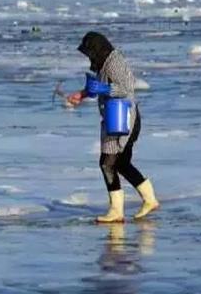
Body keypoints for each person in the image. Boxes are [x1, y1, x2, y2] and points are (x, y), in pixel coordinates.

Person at [66, 32, 159, 223]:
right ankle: (149, 200)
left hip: (123, 119)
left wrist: (105, 89)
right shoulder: (103, 62)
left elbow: (127, 89)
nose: (89, 57)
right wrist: (83, 94)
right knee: (121, 163)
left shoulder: (115, 62)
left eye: (90, 53)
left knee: (107, 163)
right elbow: (100, 87)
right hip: (113, 118)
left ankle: (117, 211)